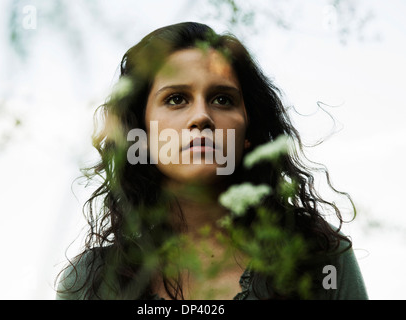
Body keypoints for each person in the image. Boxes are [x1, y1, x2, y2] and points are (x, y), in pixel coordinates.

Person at [56, 22, 368, 300]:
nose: (202, 116)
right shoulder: (91, 283)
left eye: (222, 99)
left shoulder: (319, 259)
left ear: (249, 133)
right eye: (176, 99)